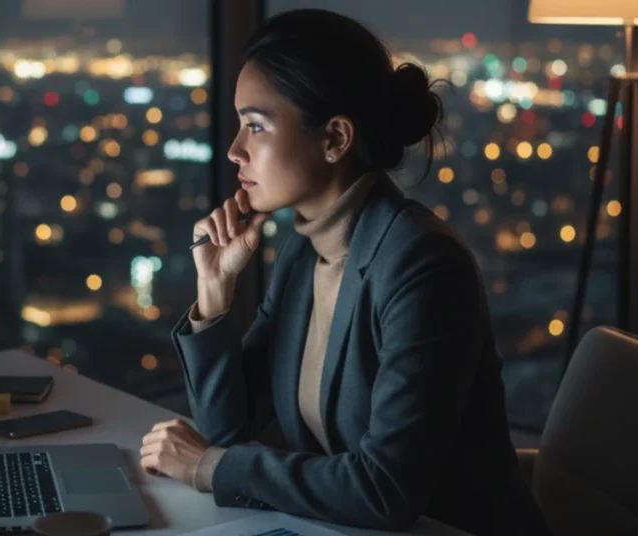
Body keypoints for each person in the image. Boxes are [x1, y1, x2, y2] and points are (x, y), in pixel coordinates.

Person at [139, 9, 551, 536]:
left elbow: (385, 491)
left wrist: (207, 467)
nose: (234, 149)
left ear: (335, 138)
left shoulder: (423, 265)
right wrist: (215, 293)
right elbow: (230, 428)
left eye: (256, 126)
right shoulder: (303, 252)